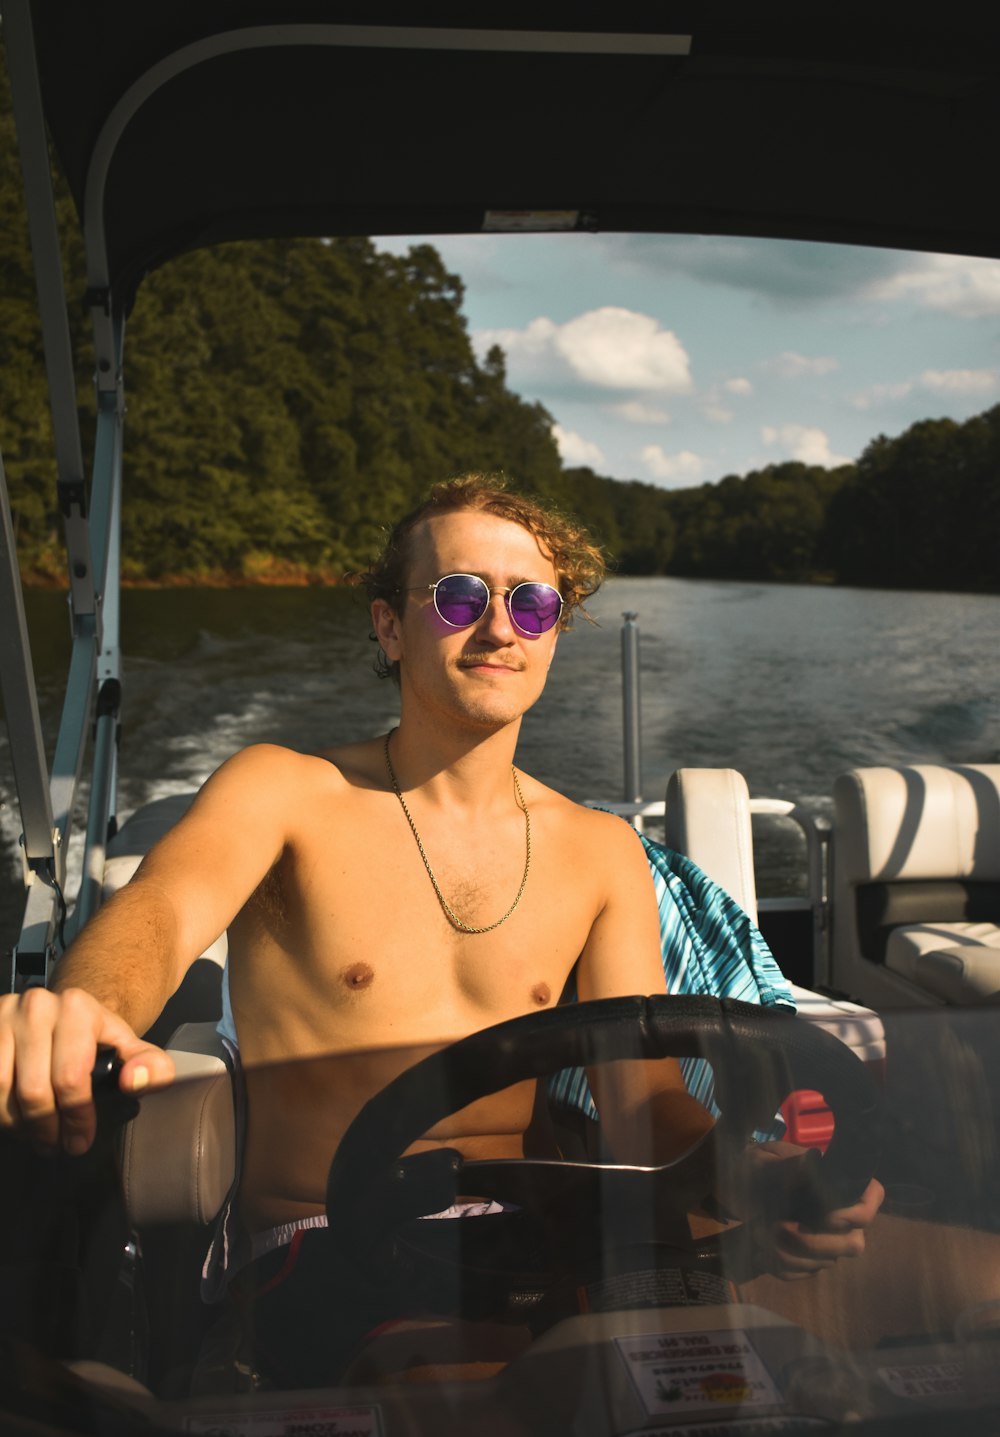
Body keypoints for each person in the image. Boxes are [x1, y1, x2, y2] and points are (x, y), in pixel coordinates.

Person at [0, 474, 884, 1381]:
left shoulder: (602, 851)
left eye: (533, 604)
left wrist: (750, 1174)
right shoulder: (284, 793)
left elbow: (641, 1105)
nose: (500, 627)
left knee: (897, 1316)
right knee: (507, 1386)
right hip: (326, 1251)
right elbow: (161, 909)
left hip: (546, 1245)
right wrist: (83, 1007)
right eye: (461, 596)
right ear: (390, 626)